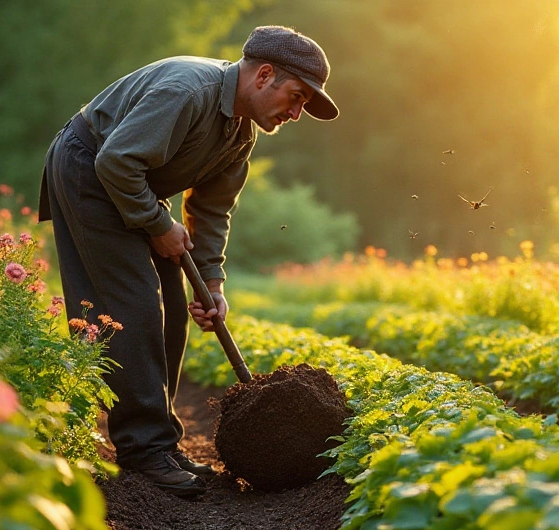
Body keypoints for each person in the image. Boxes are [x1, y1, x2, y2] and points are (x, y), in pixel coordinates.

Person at [37, 26, 339, 496]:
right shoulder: (187, 91)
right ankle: (143, 448)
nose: (296, 114)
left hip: (134, 190)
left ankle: (161, 442)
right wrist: (159, 225)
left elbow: (211, 211)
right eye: (296, 97)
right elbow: (116, 161)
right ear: (264, 76)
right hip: (90, 171)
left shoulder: (239, 134)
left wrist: (212, 284)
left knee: (174, 312)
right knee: (134, 307)